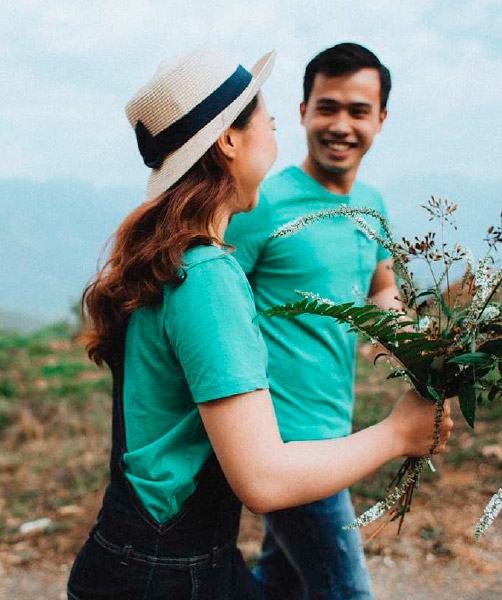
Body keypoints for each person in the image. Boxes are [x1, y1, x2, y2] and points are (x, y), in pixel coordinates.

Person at [67, 44, 452, 600]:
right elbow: (264, 479)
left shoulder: (180, 259)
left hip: (165, 560)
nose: (273, 125)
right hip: (162, 575)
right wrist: (398, 434)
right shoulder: (208, 277)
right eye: (264, 114)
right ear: (229, 140)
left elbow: (379, 288)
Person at [225, 43, 406, 599]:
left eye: (358, 111)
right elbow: (216, 307)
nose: (341, 125)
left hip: (333, 438)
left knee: (280, 585)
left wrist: (425, 347)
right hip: (285, 447)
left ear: (381, 120)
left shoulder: (371, 204)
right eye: (327, 107)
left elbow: (382, 290)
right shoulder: (262, 206)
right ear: (302, 111)